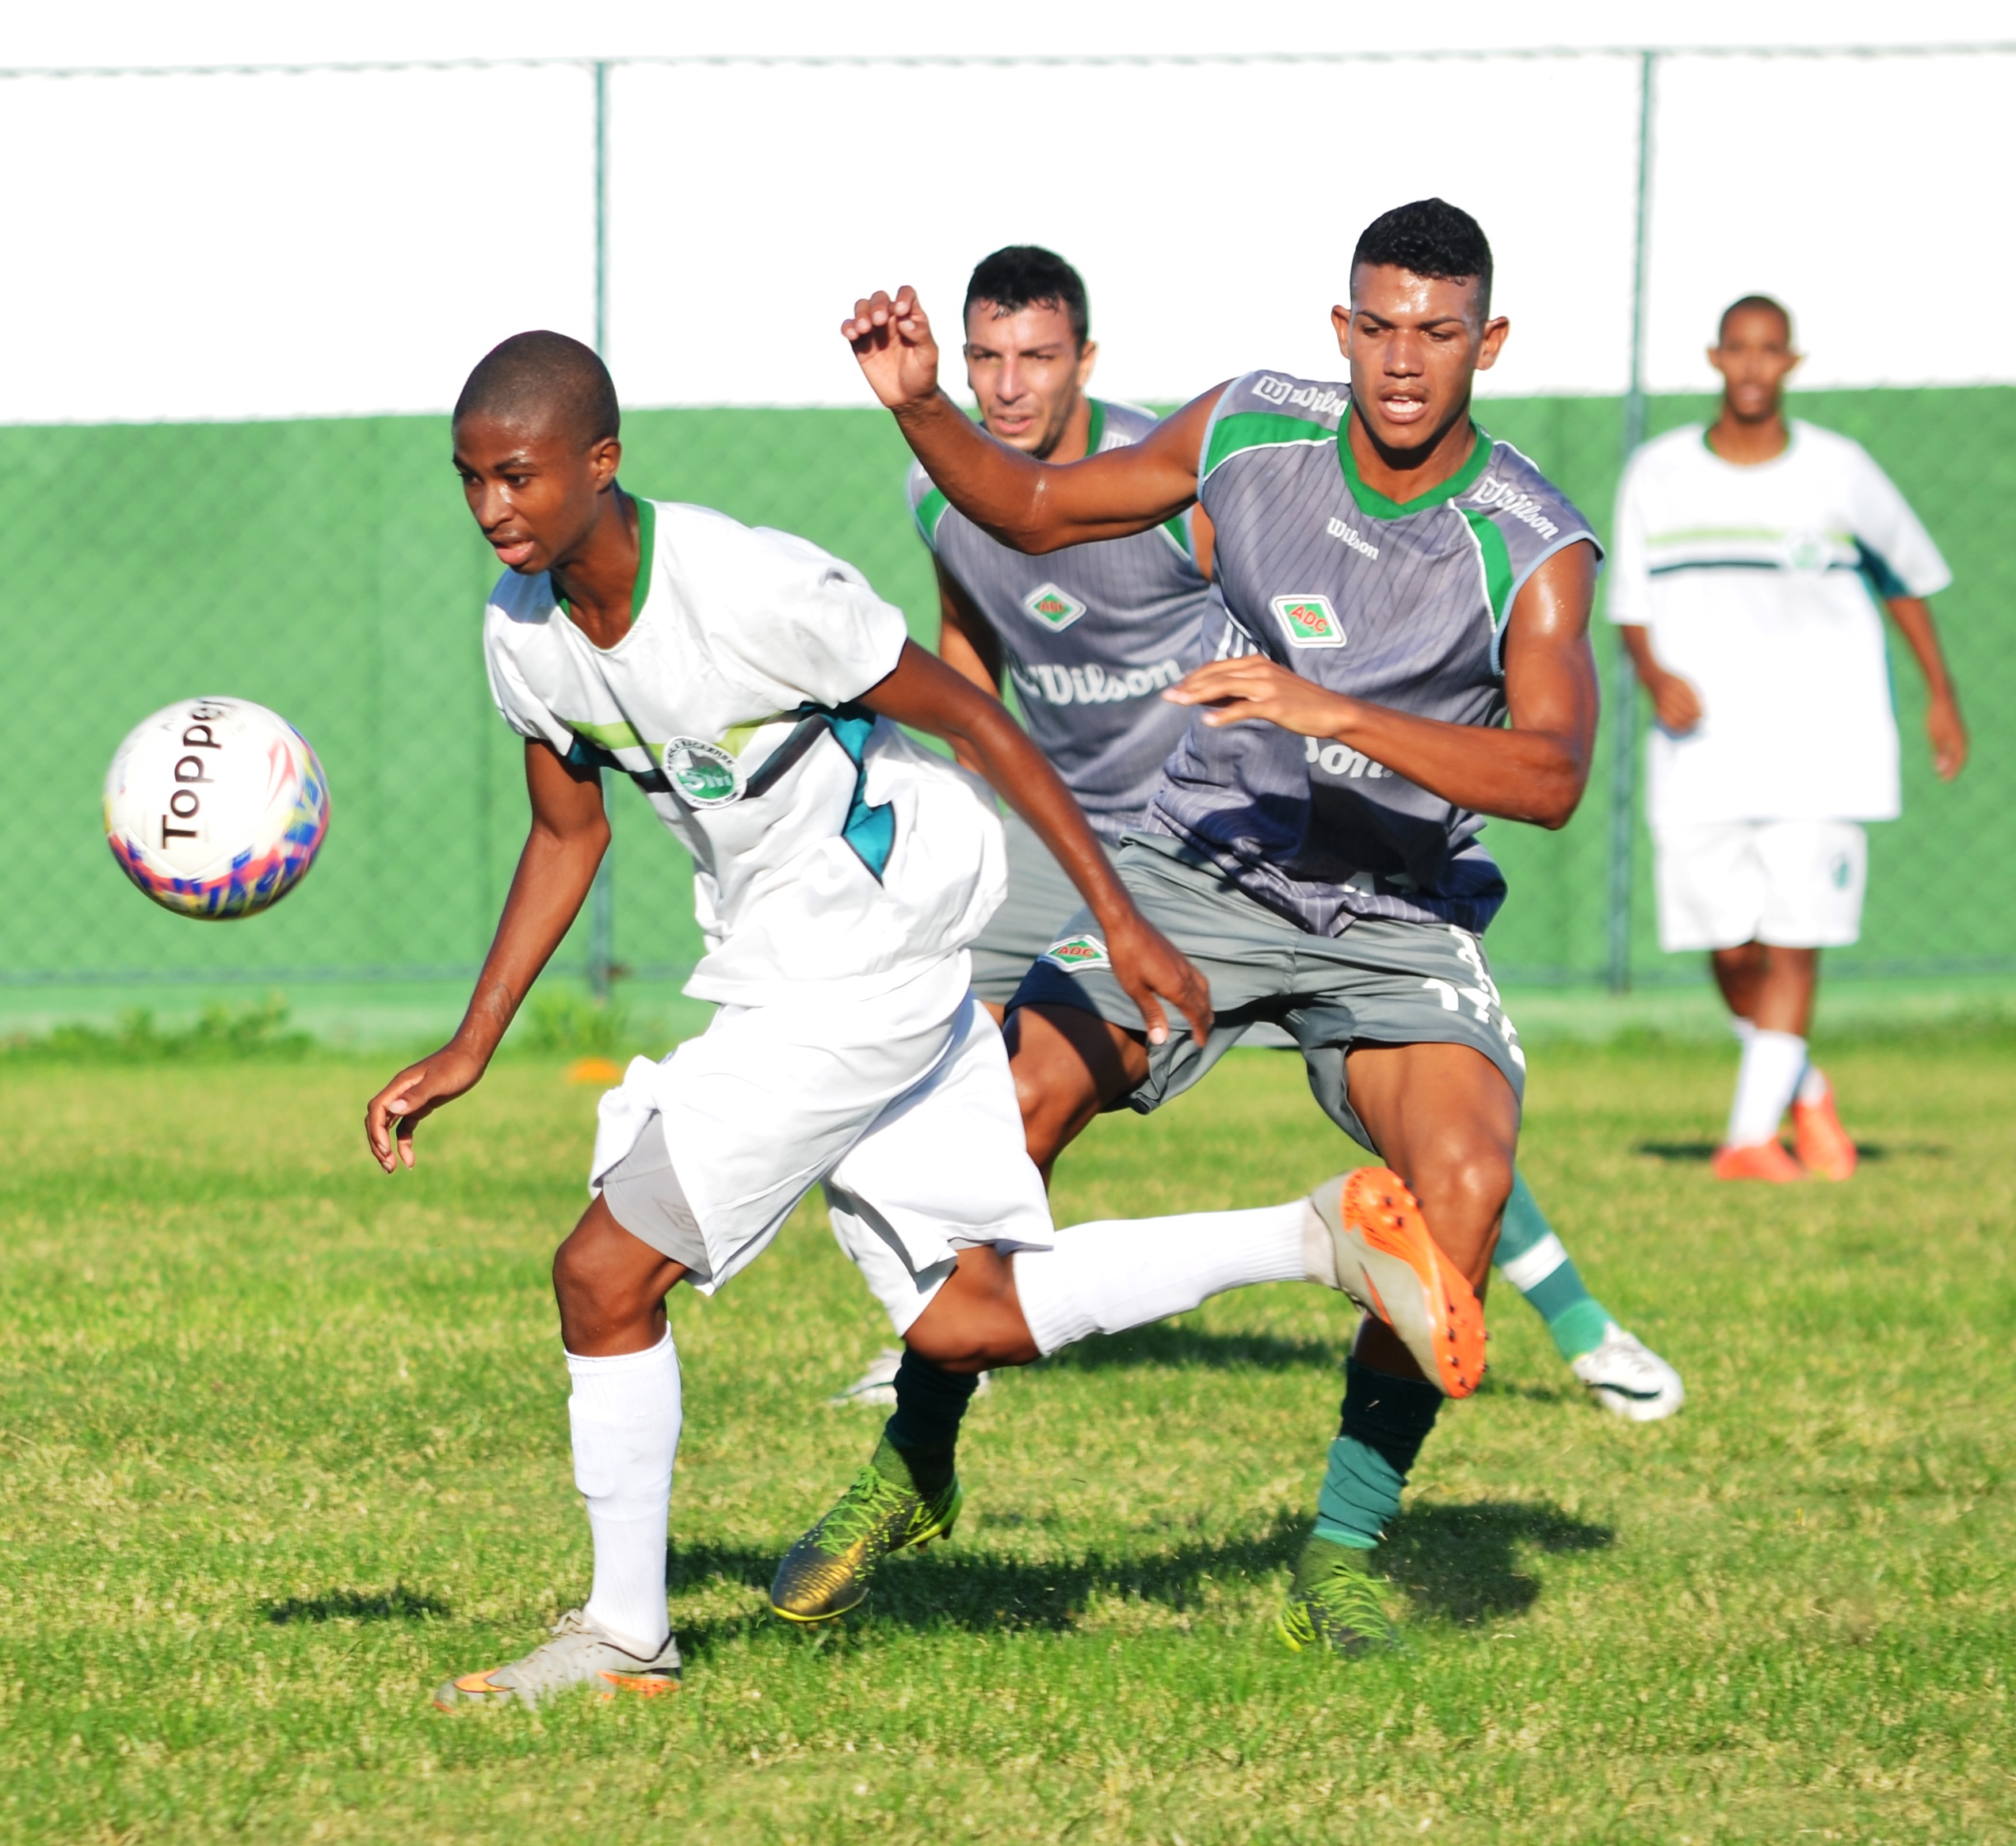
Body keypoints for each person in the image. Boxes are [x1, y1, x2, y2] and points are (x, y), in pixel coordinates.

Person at [367, 330, 1480, 1709]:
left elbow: (979, 722)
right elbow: (561, 832)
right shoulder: (520, 630)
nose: (493, 509)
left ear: (600, 462)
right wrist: (470, 1044)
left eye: (519, 475)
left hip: (856, 962)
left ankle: (624, 1634)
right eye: (470, 479)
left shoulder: (750, 588)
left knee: (601, 1275)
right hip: (827, 960)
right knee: (964, 1317)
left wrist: (1121, 923)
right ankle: (1315, 1234)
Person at [779, 199, 1648, 1657]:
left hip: (1394, 911)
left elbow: (1552, 772)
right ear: (1340, 328)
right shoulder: (1253, 427)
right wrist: (922, 401)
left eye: (1437, 332)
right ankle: (913, 1466)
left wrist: (1330, 709)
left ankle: (1340, 1550)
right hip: (1204, 858)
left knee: (1459, 1187)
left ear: (1484, 342)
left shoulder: (1530, 541)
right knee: (1005, 1111)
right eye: (1376, 324)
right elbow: (1037, 509)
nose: (1400, 360)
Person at [1611, 296, 1965, 1181]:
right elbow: (1629, 610)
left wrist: (1941, 696)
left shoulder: (1841, 471)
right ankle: (1801, 1089)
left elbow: (1910, 581)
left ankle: (1748, 1140)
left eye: (1772, 352)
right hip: (1698, 756)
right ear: (1715, 358)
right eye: (1740, 350)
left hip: (1826, 750)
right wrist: (1656, 676)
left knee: (1796, 938)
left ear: (1792, 363)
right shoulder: (1656, 473)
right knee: (1729, 946)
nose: (1755, 367)